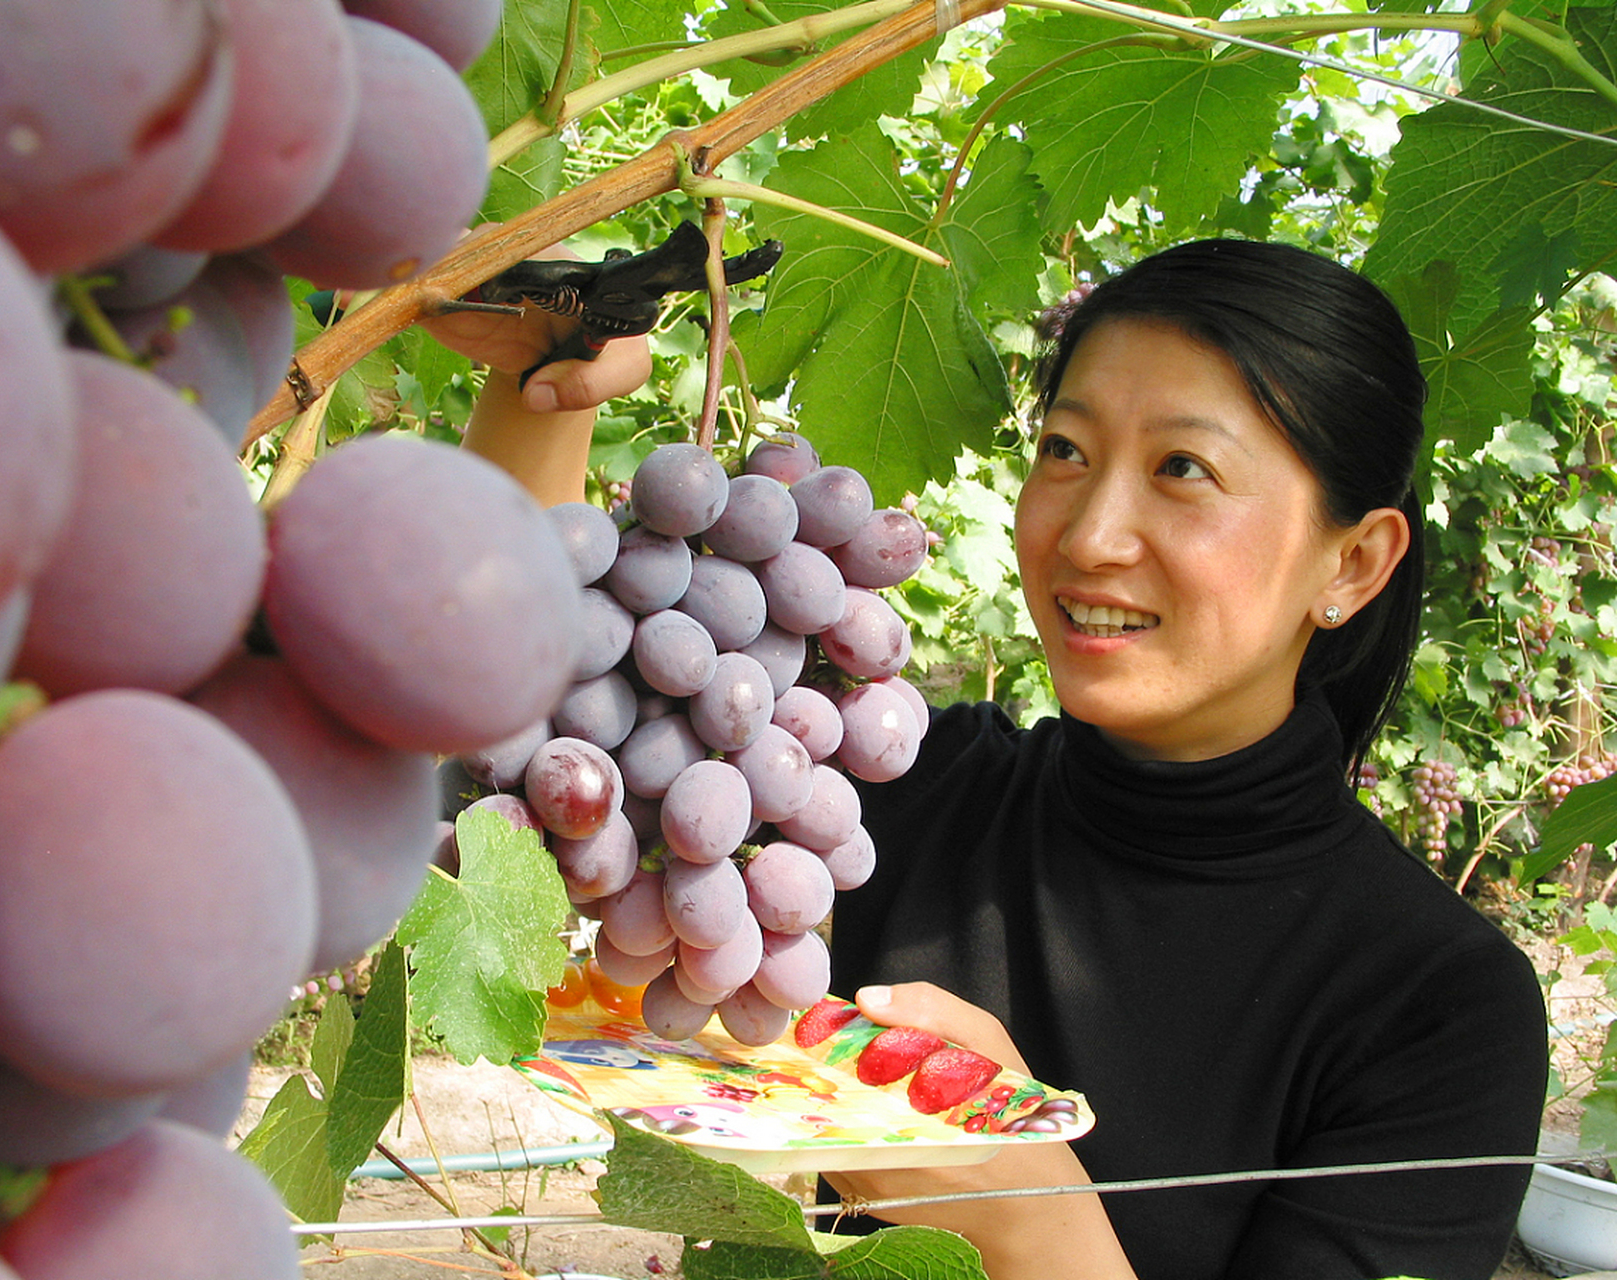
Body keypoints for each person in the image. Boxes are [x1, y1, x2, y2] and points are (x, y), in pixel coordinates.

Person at [424, 236, 1549, 1280]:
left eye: (1183, 469)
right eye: (1066, 449)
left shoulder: (1442, 1009)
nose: (1090, 532)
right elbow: (544, 738)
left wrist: (1025, 1210)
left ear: (1354, 562)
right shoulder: (907, 781)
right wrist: (545, 389)